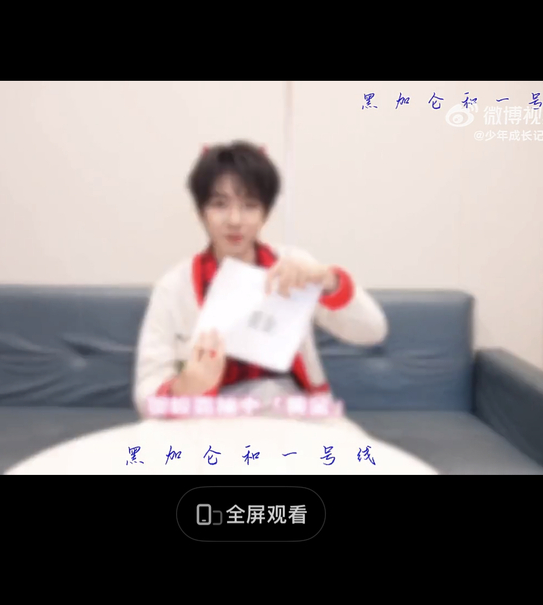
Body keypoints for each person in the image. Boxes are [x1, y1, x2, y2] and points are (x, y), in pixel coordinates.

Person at [134, 141, 388, 417]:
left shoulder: (293, 267)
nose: (235, 220)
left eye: (249, 205)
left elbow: (373, 331)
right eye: (220, 204)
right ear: (201, 212)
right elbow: (146, 394)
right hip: (209, 418)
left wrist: (328, 281)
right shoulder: (174, 287)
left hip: (292, 412)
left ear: (265, 213)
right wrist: (186, 387)